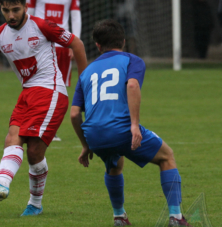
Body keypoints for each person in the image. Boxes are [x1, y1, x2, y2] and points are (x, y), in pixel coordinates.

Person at [0, 0, 87, 216]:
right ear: (0, 9)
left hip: (50, 91)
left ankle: (34, 203)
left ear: (25, 7)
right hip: (27, 93)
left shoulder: (42, 26)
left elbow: (76, 44)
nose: (11, 15)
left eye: (16, 10)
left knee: (33, 150)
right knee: (13, 138)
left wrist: (85, 84)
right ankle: (2, 184)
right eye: (6, 11)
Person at [70, 19, 191, 226]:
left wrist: (85, 144)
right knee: (167, 157)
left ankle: (119, 217)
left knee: (115, 165)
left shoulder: (86, 73)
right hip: (122, 129)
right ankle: (176, 218)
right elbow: (133, 85)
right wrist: (134, 125)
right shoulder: (132, 60)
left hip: (95, 135)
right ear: (123, 41)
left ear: (98, 46)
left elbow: (74, 114)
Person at [27, 0, 81, 141]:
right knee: (37, 85)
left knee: (58, 88)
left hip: (61, 45)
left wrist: (75, 43)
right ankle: (34, 125)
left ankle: (49, 129)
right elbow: (29, 12)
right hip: (40, 43)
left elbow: (76, 16)